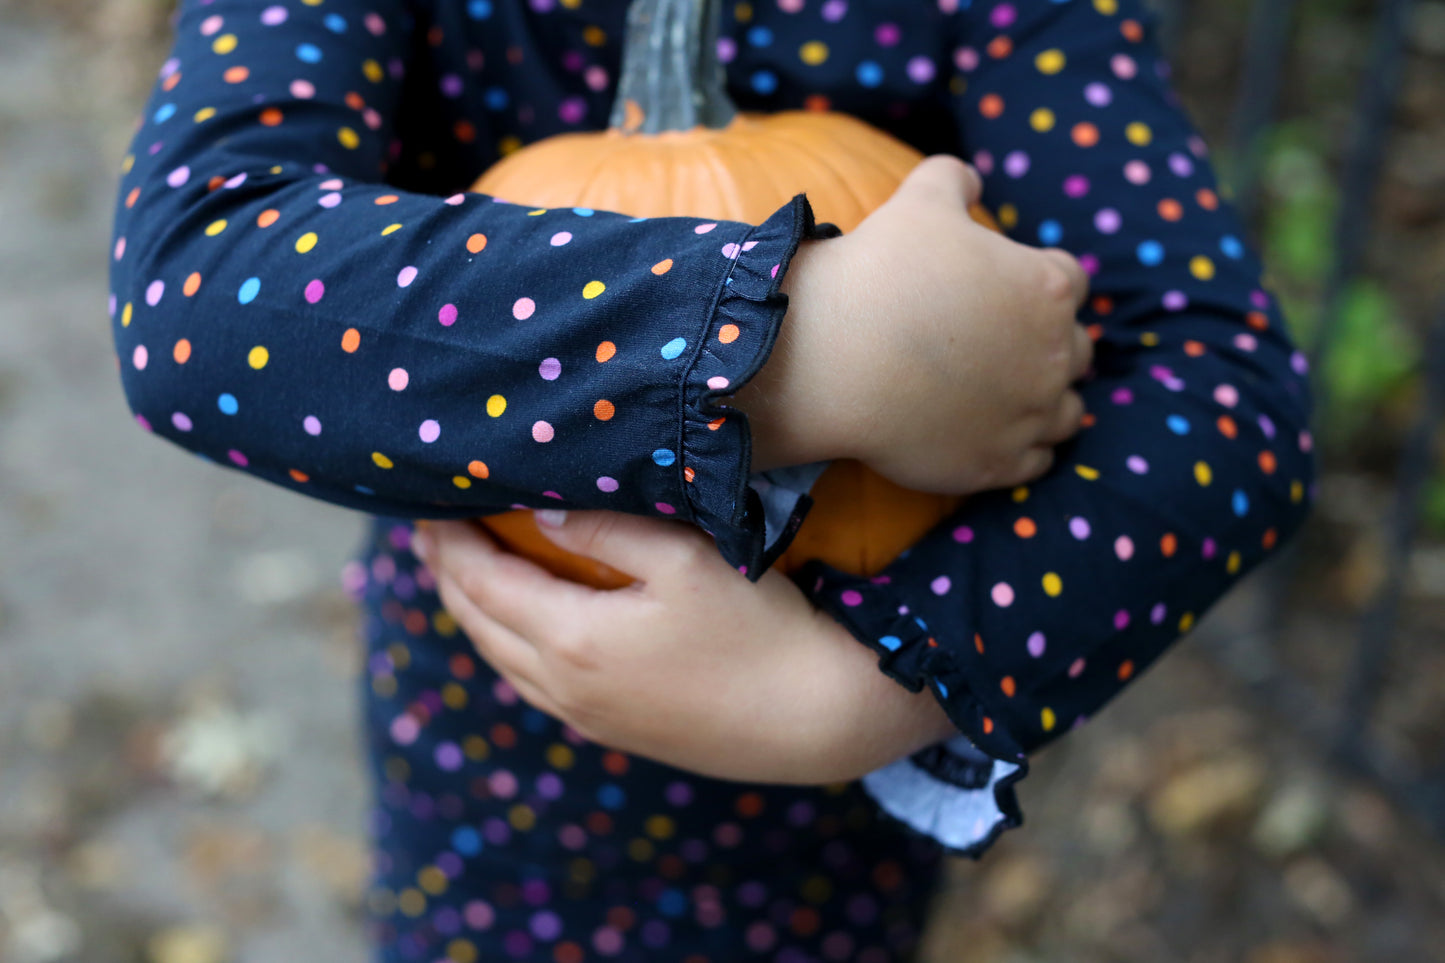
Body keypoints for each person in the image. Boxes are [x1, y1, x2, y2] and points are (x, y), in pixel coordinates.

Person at [107, 0, 1317, 960]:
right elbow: (193, 298)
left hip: (831, 816)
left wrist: (862, 689)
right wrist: (799, 349)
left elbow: (1227, 393)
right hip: (491, 756)